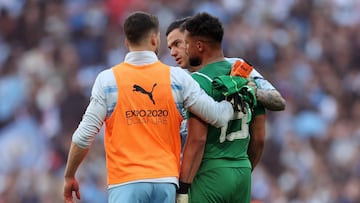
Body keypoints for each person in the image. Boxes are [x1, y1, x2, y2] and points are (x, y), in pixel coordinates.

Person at [63, 11, 241, 203]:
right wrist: (235, 91)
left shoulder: (108, 81)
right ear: (155, 40)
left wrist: (69, 176)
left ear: (126, 42)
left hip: (125, 184)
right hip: (165, 183)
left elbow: (83, 136)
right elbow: (218, 116)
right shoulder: (177, 79)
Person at [176, 12, 267, 203]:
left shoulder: (198, 81)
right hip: (242, 171)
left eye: (187, 43)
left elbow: (198, 140)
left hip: (210, 172)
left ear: (199, 46)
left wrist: (183, 188)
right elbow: (259, 138)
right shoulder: (246, 77)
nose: (185, 48)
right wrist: (243, 169)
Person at [166, 17, 286, 111]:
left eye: (177, 44)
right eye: (170, 47)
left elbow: (279, 101)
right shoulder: (175, 80)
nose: (172, 53)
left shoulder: (236, 66)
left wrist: (253, 92)